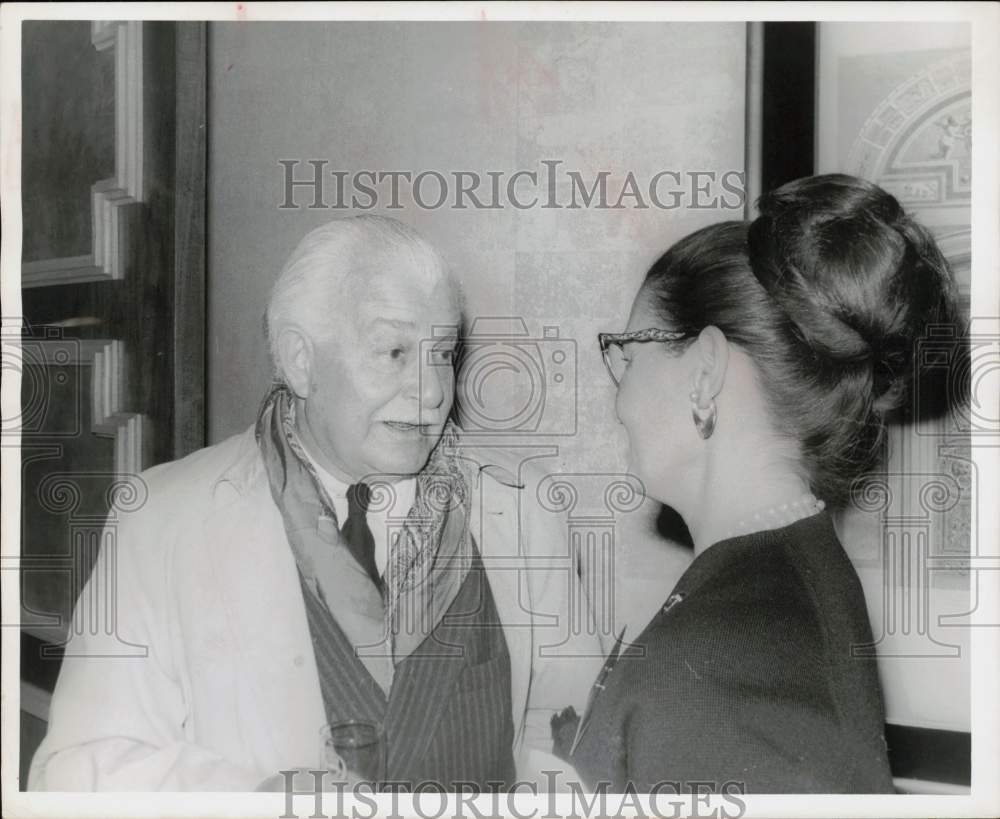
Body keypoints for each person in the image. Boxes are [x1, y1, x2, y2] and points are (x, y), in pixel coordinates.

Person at [29, 215, 603, 791]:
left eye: (444, 355)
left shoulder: (524, 513)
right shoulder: (163, 520)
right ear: (300, 359)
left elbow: (578, 746)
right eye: (395, 351)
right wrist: (263, 801)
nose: (432, 392)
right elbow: (77, 773)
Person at [566, 174, 967, 793]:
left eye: (629, 351)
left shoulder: (702, 678)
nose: (618, 394)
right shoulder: (801, 568)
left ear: (704, 372)